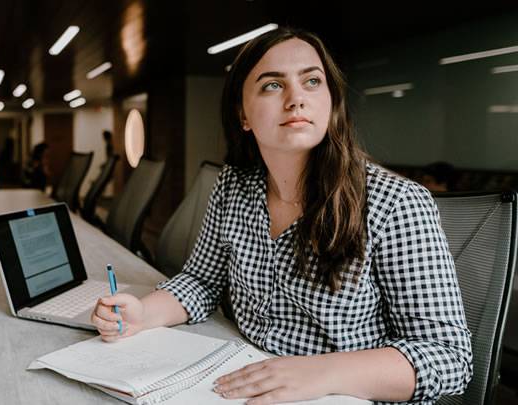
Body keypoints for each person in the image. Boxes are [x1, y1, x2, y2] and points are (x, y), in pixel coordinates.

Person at [91, 27, 472, 404]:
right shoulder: (234, 186)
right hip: (243, 380)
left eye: (311, 81)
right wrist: (143, 312)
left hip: (341, 395)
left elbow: (449, 357)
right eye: (273, 85)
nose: (296, 99)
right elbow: (201, 281)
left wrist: (320, 372)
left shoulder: (396, 202)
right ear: (243, 114)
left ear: (331, 102)